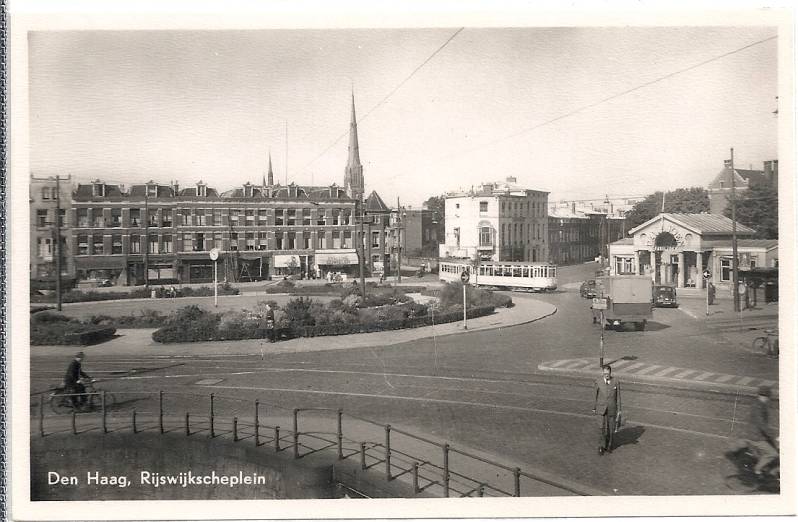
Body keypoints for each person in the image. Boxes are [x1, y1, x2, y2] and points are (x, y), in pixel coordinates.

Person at [747, 385, 779, 476]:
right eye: (768, 397)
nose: (768, 399)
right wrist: (772, 435)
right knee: (773, 454)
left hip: (757, 434)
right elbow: (761, 424)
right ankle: (757, 469)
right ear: (765, 396)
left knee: (773, 447)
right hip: (756, 436)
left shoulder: (759, 404)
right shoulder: (758, 407)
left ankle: (767, 467)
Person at [592, 365, 622, 455]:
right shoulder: (598, 381)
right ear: (603, 373)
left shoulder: (616, 382)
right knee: (601, 428)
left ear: (610, 373)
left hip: (612, 408)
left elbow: (618, 397)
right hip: (600, 408)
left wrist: (619, 410)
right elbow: (595, 395)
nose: (606, 375)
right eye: (605, 374)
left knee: (610, 428)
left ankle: (609, 445)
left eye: (608, 374)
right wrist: (594, 407)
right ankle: (601, 446)